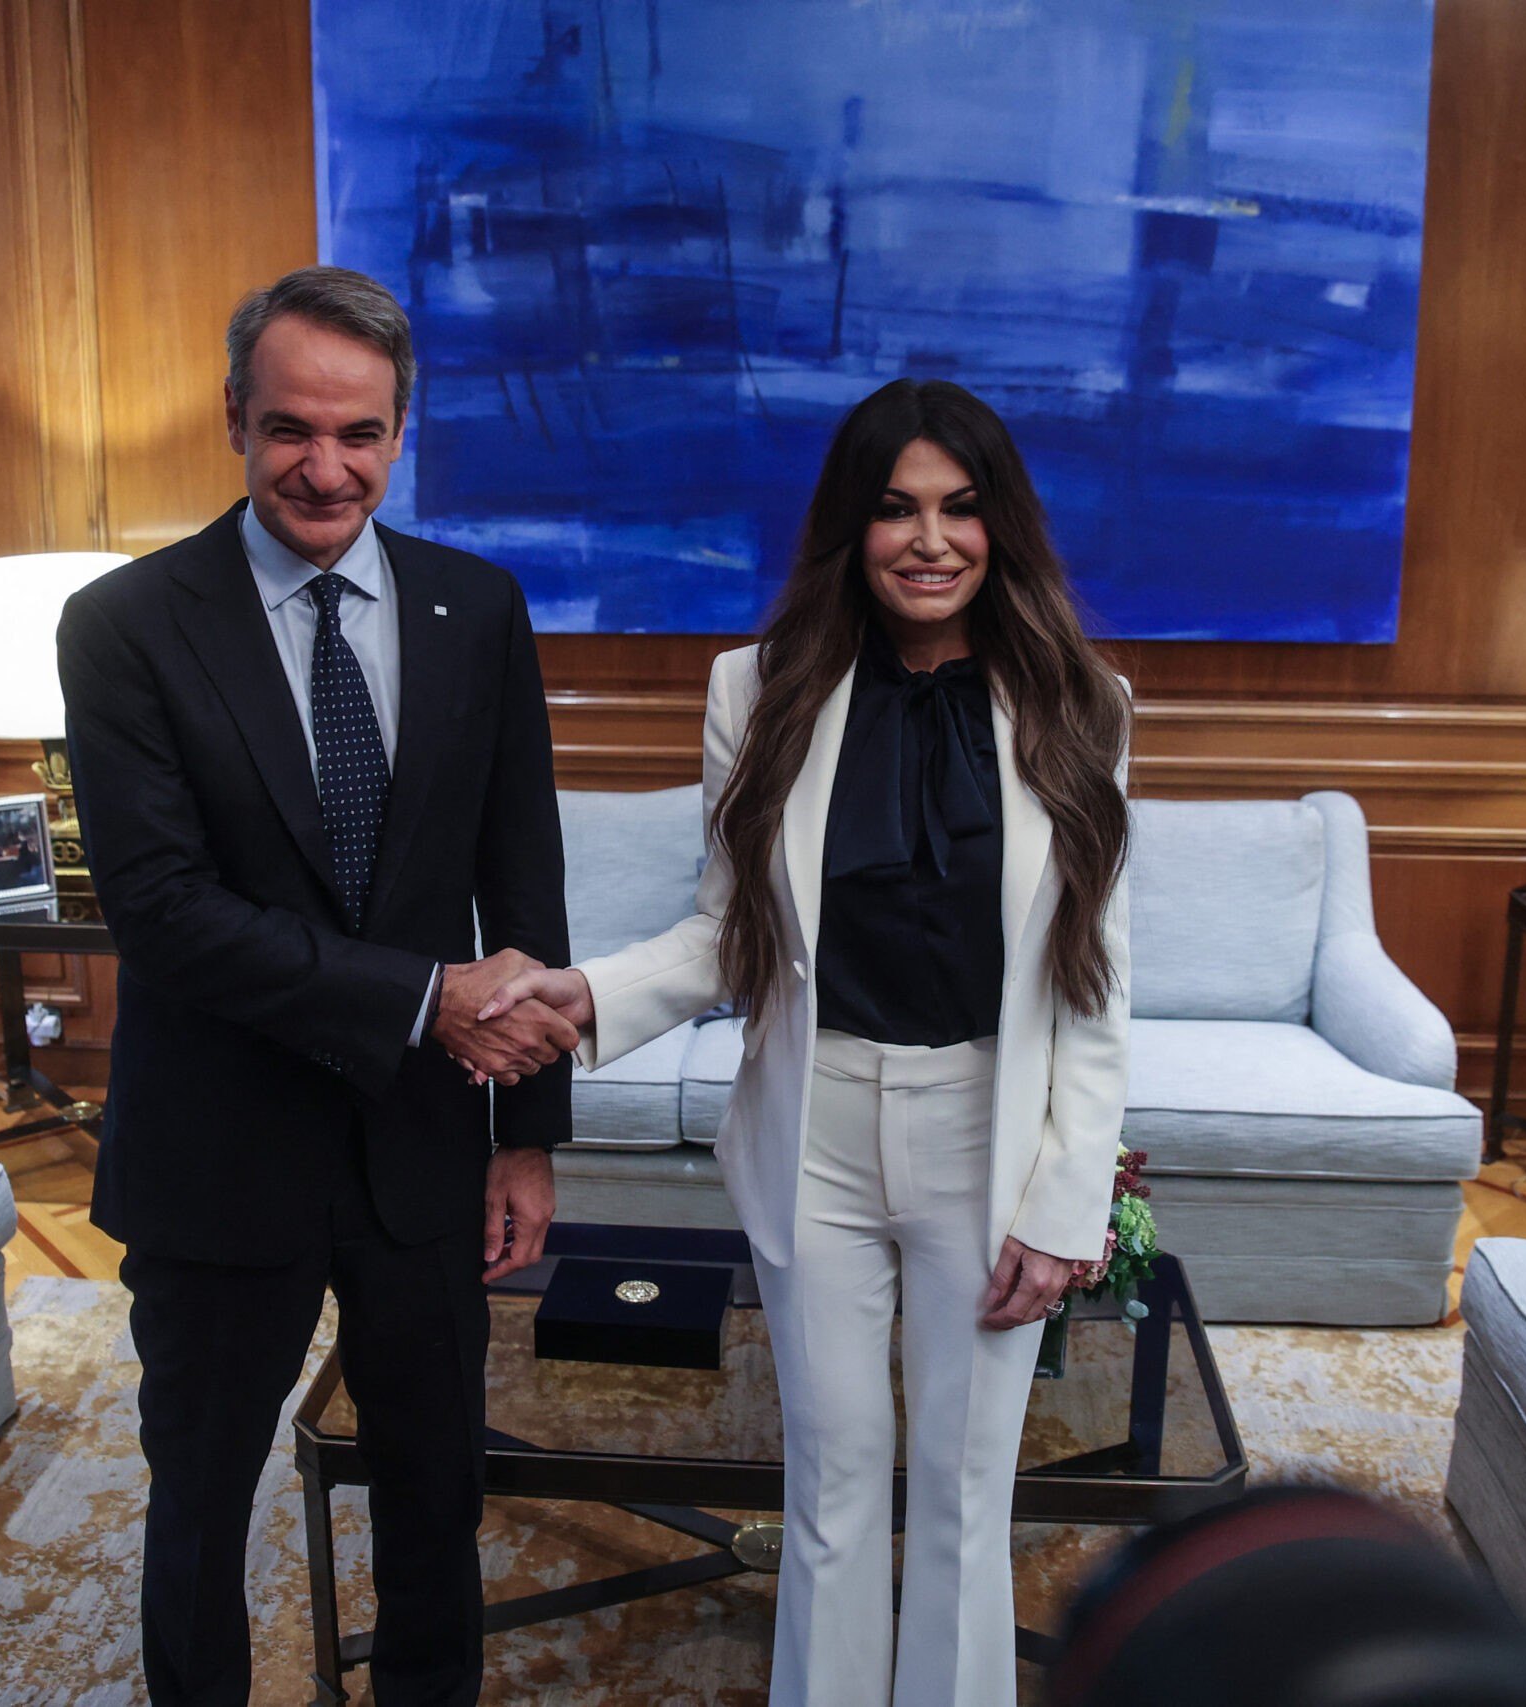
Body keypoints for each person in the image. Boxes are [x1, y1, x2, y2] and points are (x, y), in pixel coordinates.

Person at [482, 378, 1134, 1705]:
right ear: (854, 525)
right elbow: (728, 933)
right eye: (897, 508)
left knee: (962, 1486)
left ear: (1000, 527)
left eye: (959, 509)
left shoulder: (1084, 700)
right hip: (815, 1128)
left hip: (987, 1136)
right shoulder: (758, 687)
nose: (930, 538)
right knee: (832, 1480)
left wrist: (1067, 1201)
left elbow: (1097, 983)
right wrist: (582, 995)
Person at [57, 265, 581, 1706]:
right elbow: (164, 914)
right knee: (201, 1506)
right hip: (216, 1159)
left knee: (435, 1497)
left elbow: (522, 888)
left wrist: (528, 1131)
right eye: (291, 428)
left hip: (421, 1147)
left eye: (359, 433)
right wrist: (428, 997)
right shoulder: (126, 626)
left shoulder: (478, 609)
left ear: (401, 431)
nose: (325, 466)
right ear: (236, 417)